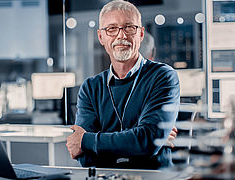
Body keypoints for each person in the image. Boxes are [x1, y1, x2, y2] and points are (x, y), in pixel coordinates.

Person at [66, 0, 180, 169]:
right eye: (111, 28)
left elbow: (147, 141)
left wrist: (87, 140)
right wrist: (136, 139)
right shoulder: (90, 88)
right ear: (101, 37)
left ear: (140, 34)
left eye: (129, 27)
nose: (121, 35)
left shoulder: (163, 76)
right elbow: (85, 157)